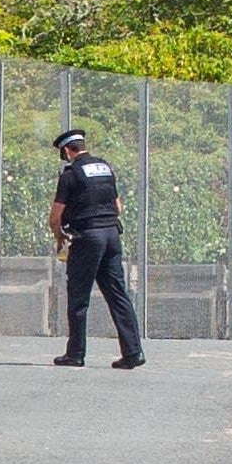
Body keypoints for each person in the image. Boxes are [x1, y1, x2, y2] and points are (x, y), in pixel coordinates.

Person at [49, 124, 146, 368]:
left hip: (87, 238)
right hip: (112, 235)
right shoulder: (105, 168)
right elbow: (118, 206)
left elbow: (56, 215)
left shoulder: (70, 174)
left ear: (67, 151)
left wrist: (59, 236)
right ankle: (133, 352)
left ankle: (75, 353)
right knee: (118, 294)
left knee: (79, 297)